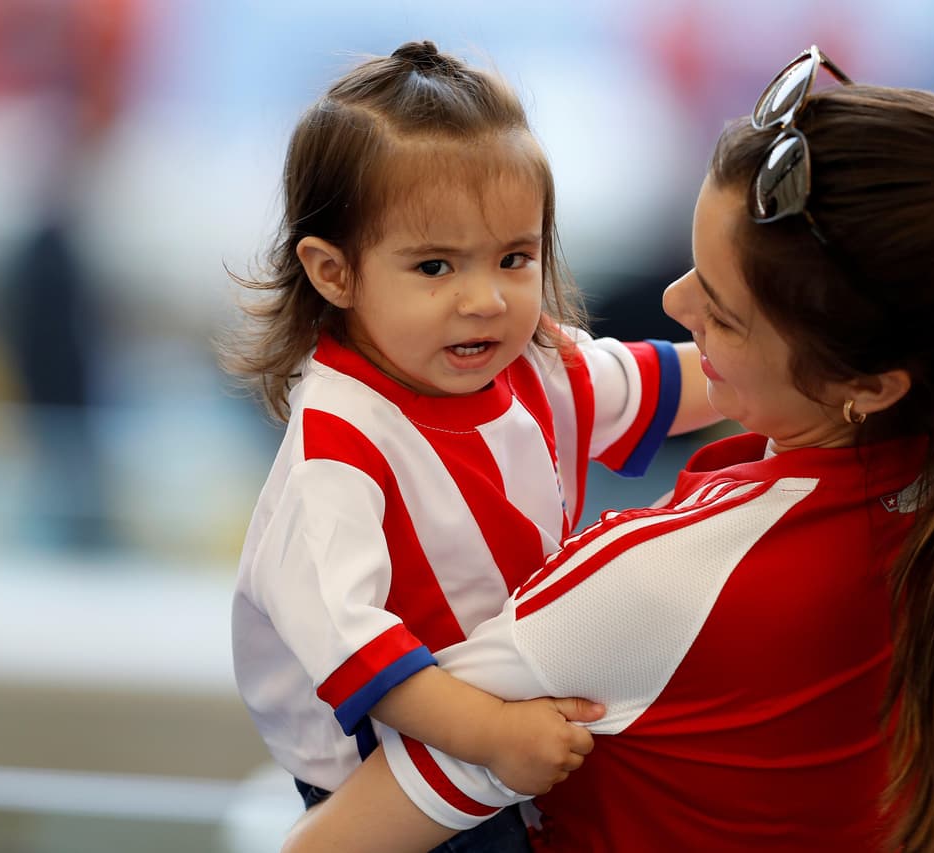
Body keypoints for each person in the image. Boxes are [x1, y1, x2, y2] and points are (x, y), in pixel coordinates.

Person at [278, 45, 934, 853]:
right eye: (433, 265)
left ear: (873, 382)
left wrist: (489, 737)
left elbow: (344, 835)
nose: (672, 301)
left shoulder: (649, 586)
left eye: (724, 314)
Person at [224, 40, 718, 851]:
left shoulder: (531, 362)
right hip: (387, 751)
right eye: (434, 265)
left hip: (499, 702)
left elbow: (667, 384)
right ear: (333, 272)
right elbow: (360, 655)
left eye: (514, 257)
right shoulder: (337, 445)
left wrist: (790, 363)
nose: (484, 299)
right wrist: (491, 735)